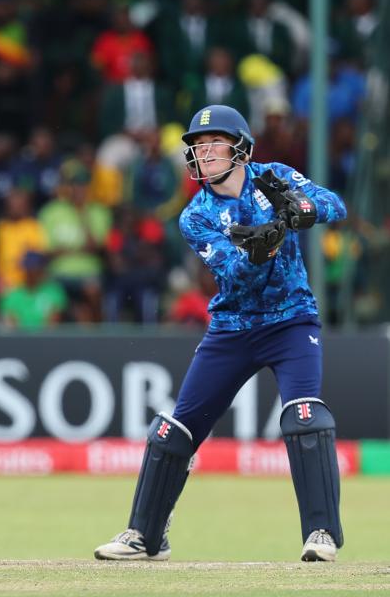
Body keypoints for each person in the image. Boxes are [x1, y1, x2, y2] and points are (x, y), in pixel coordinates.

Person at [94, 105, 347, 563]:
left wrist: (299, 209)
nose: (204, 152)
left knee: (305, 417)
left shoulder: (275, 175)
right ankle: (145, 537)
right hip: (232, 329)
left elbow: (335, 204)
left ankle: (321, 534)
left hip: (291, 320)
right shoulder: (196, 216)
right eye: (197, 145)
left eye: (214, 142)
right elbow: (235, 275)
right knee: (174, 432)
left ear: (240, 148)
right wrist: (262, 248)